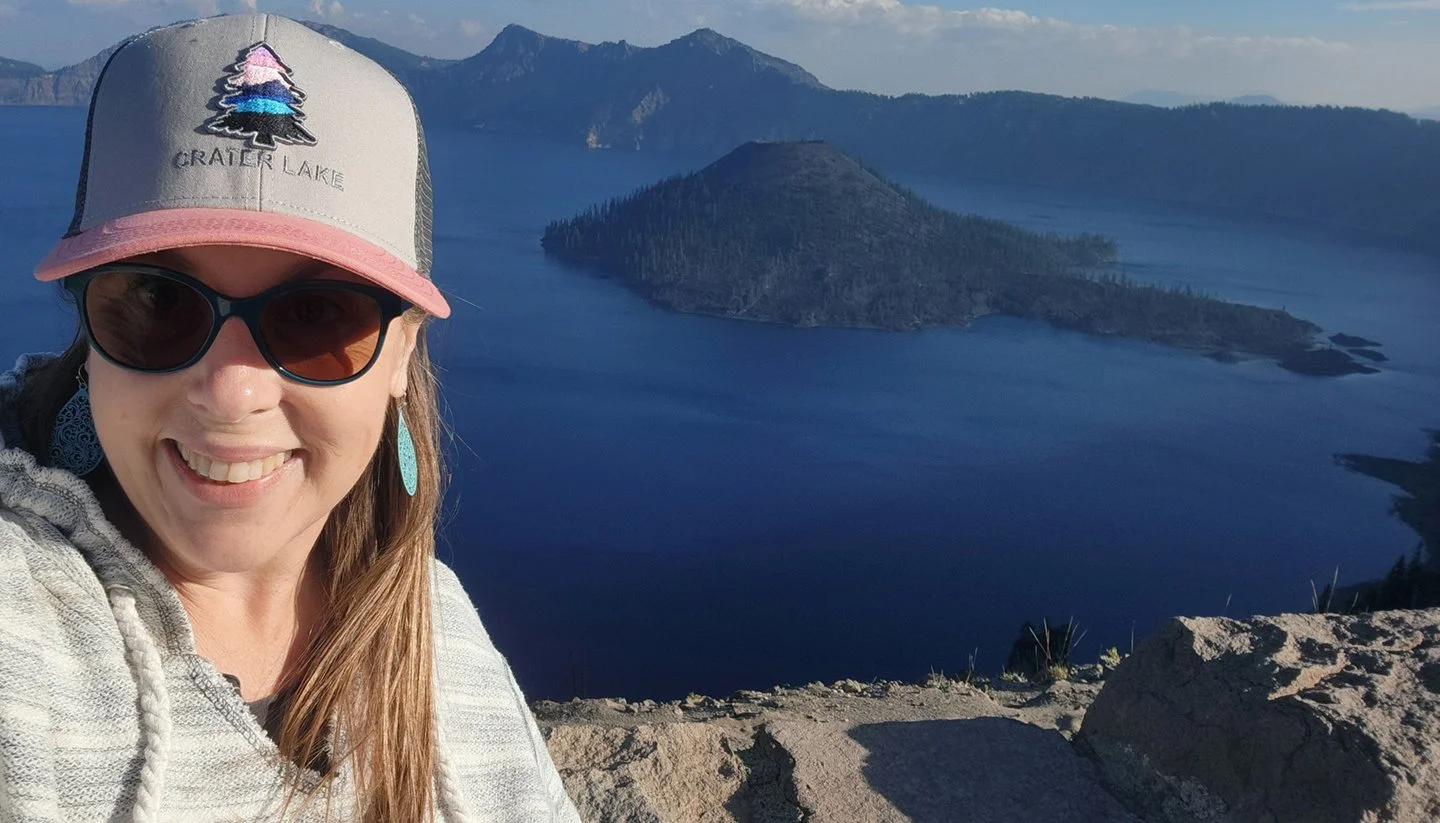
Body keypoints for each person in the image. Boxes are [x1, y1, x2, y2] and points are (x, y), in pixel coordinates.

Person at [0, 13, 583, 823]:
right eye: (158, 301)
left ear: (403, 354)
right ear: (88, 330)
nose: (233, 390)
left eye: (315, 314)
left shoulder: (441, 635)